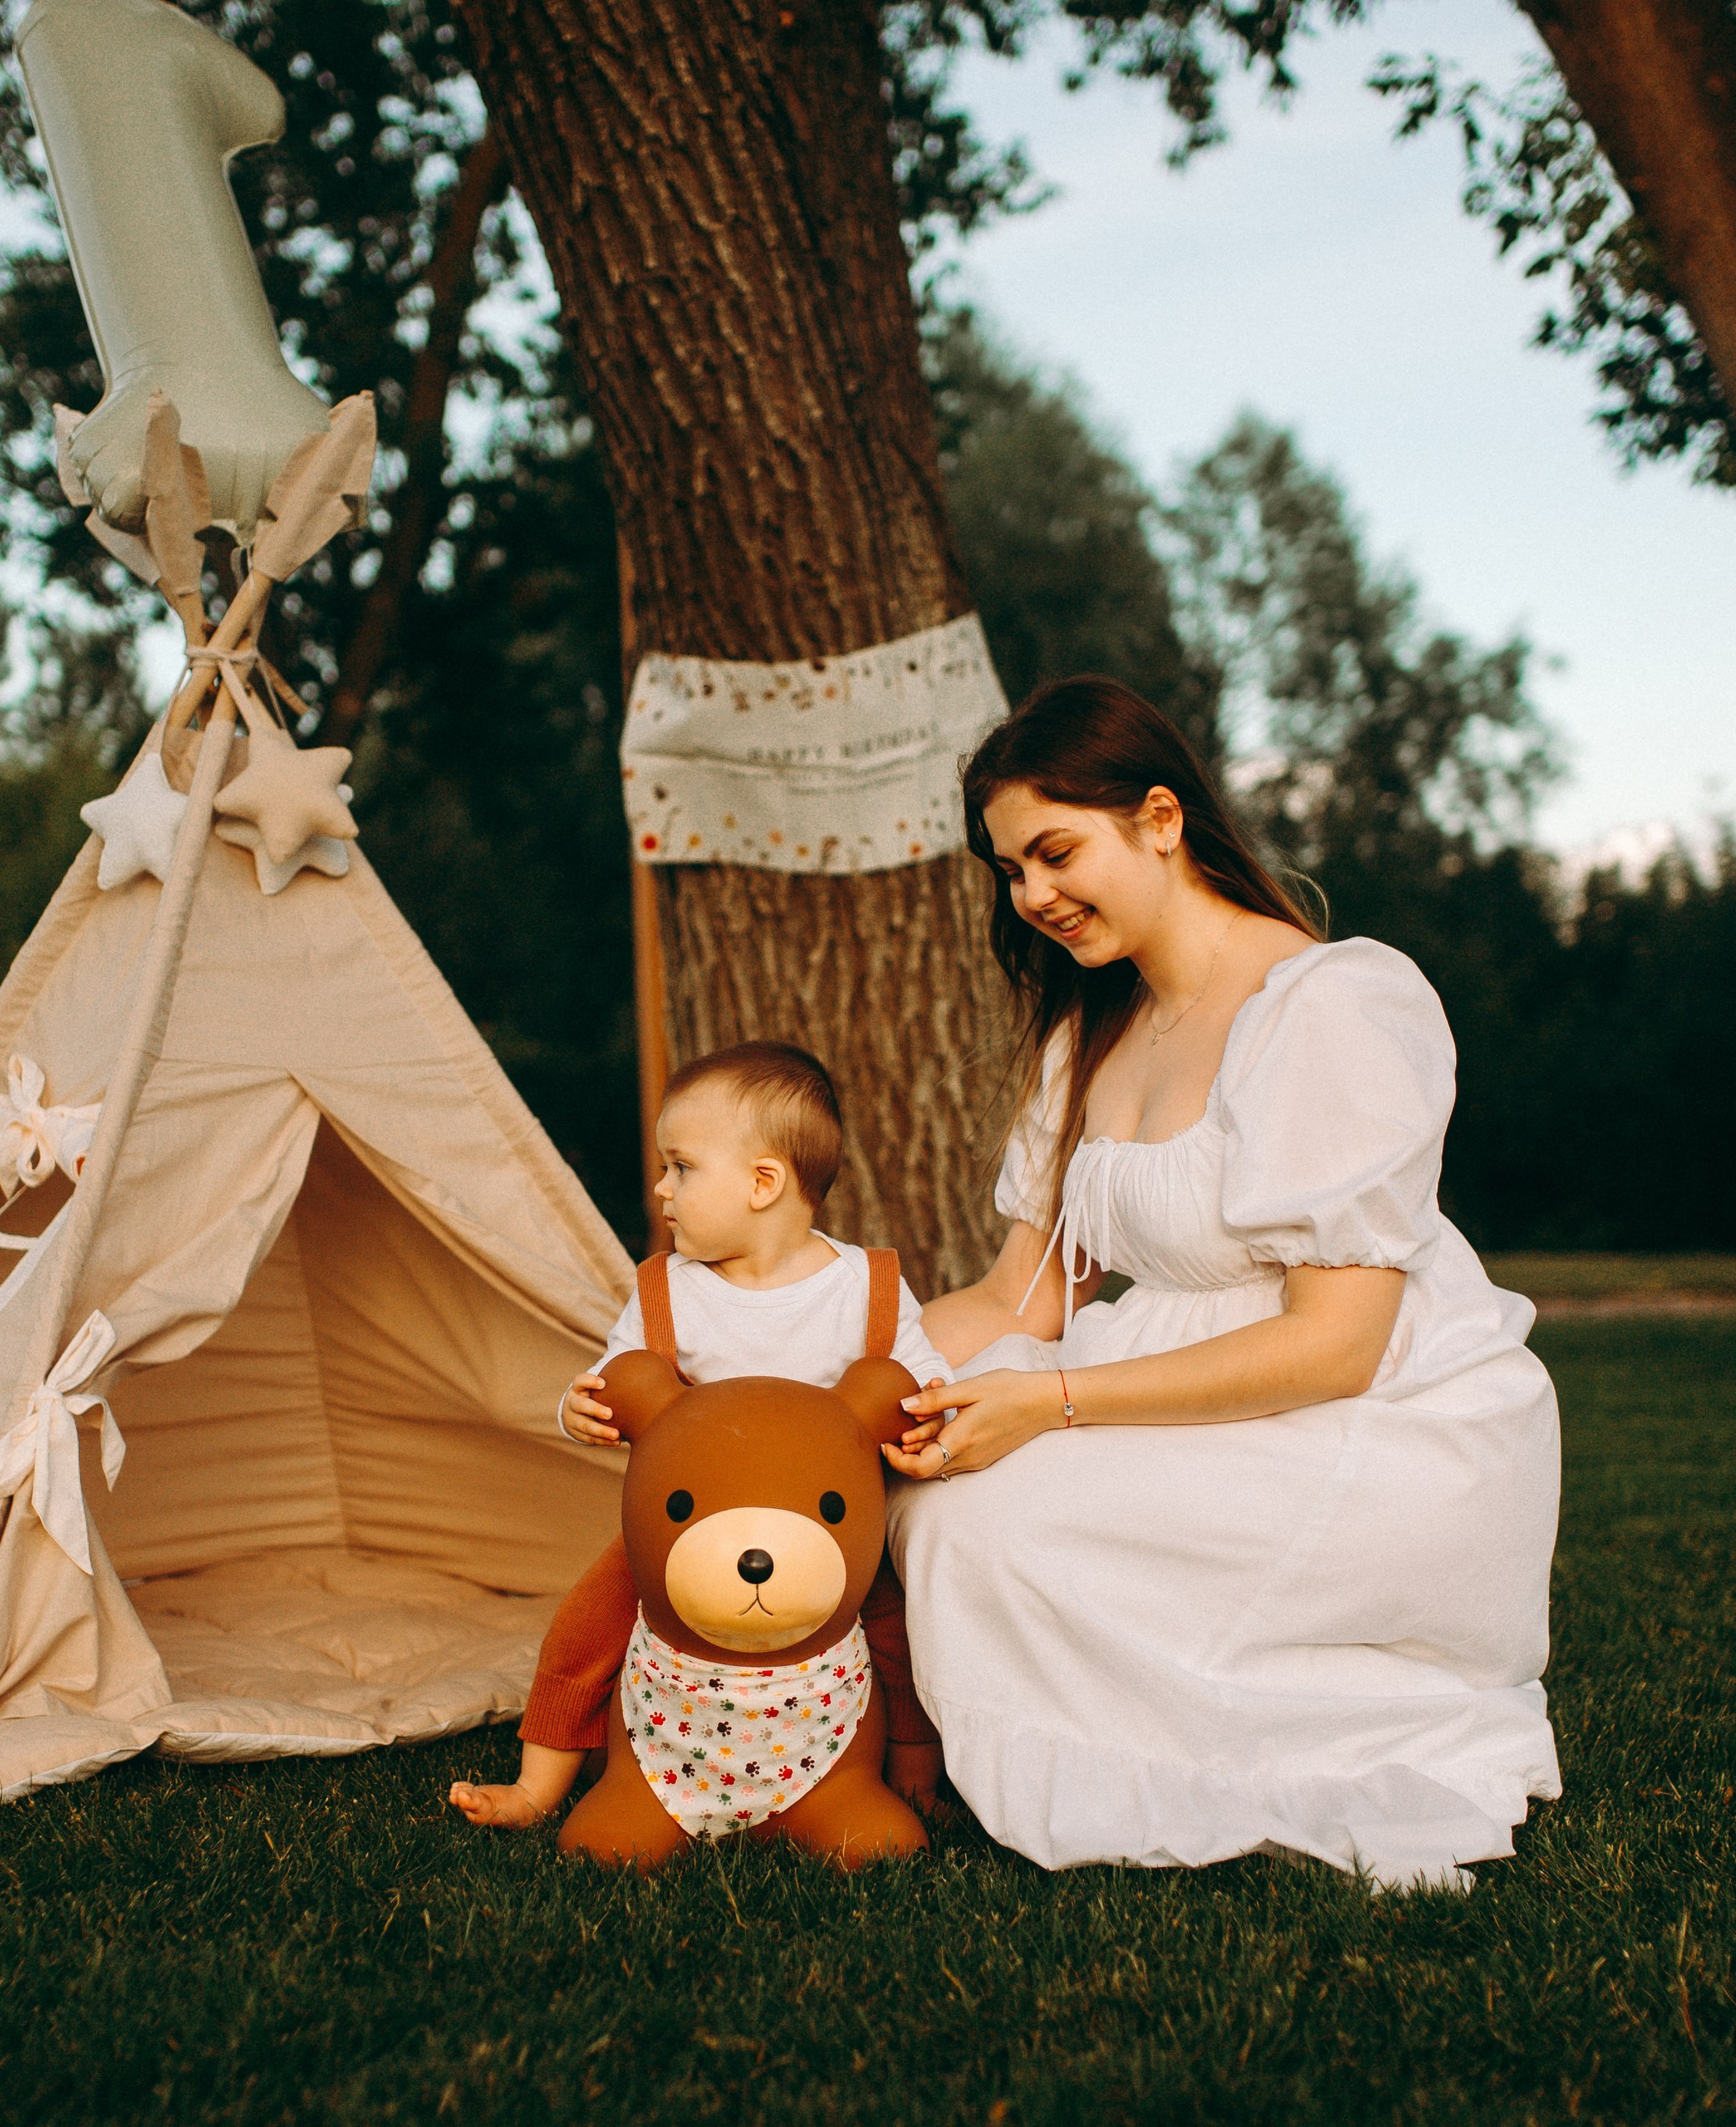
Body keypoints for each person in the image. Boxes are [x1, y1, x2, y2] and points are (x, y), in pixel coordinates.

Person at [884, 675, 1562, 1891]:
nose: (1032, 896)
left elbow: (1336, 1346)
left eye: (1054, 851)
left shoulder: (1330, 1004)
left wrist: (1046, 1407)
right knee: (927, 1486)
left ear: (1160, 817)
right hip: (1180, 1380)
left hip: (1370, 1422)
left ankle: (1173, 1747)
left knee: (985, 1513)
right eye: (1008, 871)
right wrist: (833, 1356)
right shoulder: (1088, 1033)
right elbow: (1013, 1306)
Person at [449, 1040, 953, 1829]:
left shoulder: (866, 1287)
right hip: (687, 1540)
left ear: (765, 1182)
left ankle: (915, 1783)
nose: (661, 1188)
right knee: (590, 1622)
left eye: (682, 1167)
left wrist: (928, 1426)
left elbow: (923, 1388)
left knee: (899, 1631)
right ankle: (537, 1787)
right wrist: (577, 1410)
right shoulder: (668, 1291)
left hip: (827, 1542)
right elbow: (618, 1379)